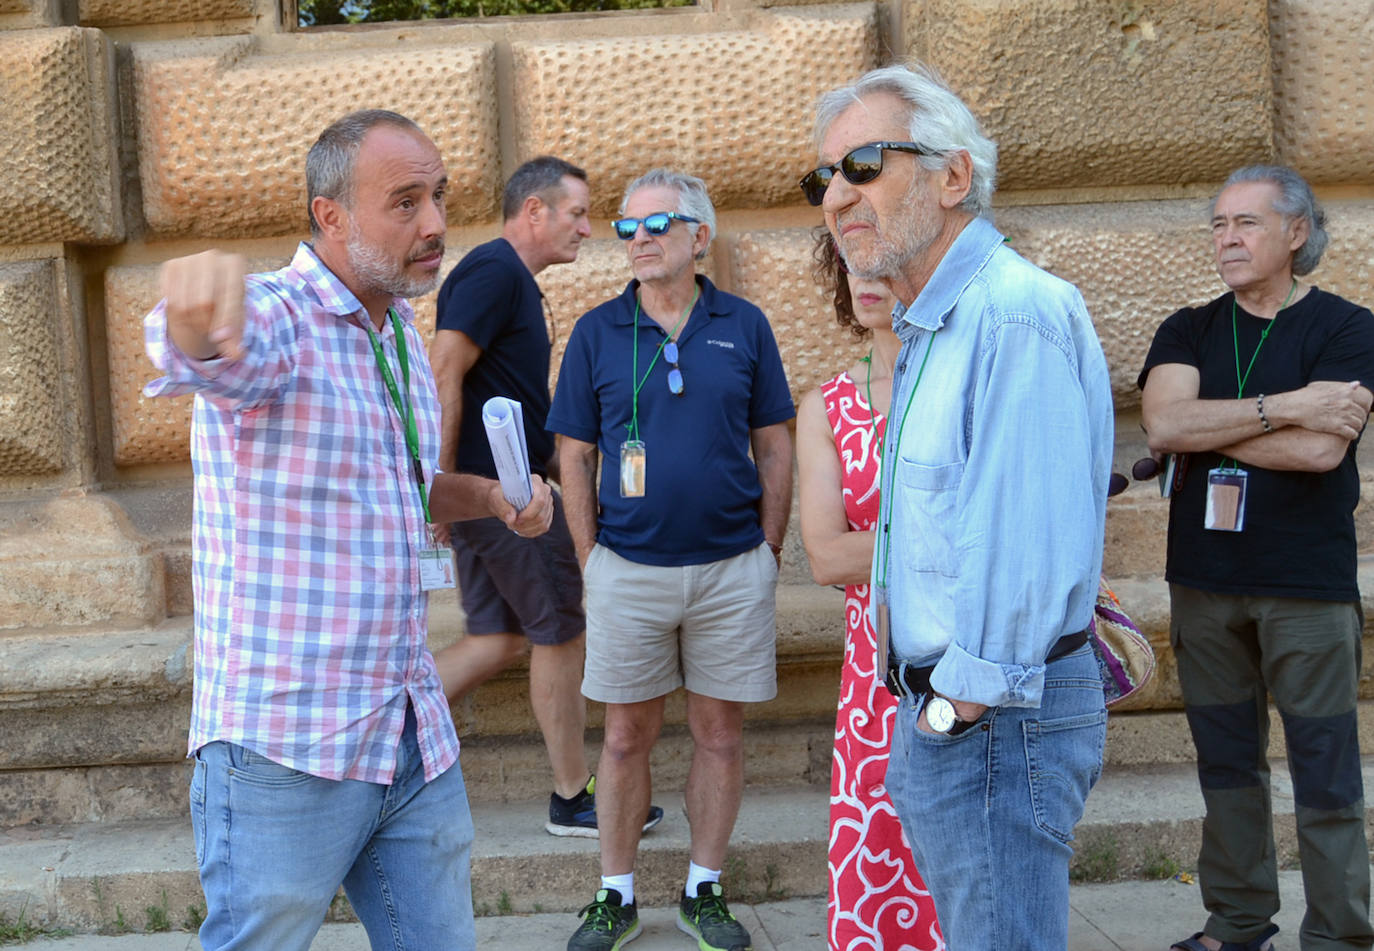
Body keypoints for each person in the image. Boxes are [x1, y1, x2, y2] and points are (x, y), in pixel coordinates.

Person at [142, 109, 553, 951]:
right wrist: (191, 319)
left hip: (407, 731)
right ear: (331, 216)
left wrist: (493, 497)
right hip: (286, 751)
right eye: (405, 202)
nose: (436, 222)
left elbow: (402, 488)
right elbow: (208, 350)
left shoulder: (397, 331)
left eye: (437, 195)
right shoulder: (279, 317)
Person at [805, 64, 1114, 950]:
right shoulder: (932, 328)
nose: (835, 196)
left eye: (863, 163)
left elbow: (1024, 561)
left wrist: (948, 714)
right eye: (824, 175)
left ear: (952, 177)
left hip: (988, 719)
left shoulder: (1013, 315)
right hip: (950, 713)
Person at [547, 168, 795, 951]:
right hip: (629, 568)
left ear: (700, 237)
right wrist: (591, 560)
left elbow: (776, 442)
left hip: (730, 568)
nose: (639, 239)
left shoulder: (744, 324)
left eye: (658, 224)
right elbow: (574, 455)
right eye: (626, 228)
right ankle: (614, 893)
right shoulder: (595, 331)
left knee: (720, 733)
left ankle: (703, 889)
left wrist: (769, 548)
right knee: (624, 737)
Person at [1139, 165, 1374, 951]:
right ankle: (1237, 923)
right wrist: (1287, 404)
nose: (1227, 239)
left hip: (1305, 585)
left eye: (1245, 223)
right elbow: (1165, 425)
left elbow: (1318, 450)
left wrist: (1216, 425)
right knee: (1226, 764)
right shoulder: (1189, 328)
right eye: (1218, 224)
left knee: (1326, 771)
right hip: (1204, 583)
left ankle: (1340, 936)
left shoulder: (1348, 327)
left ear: (1296, 232)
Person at [427, 156, 662, 838]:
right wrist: (443, 490)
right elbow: (444, 366)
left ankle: (371, 741)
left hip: (491, 493)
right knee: (562, 627)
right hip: (504, 498)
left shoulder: (510, 280)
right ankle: (570, 795)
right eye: (577, 213)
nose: (589, 229)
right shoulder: (495, 272)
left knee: (495, 637)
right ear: (534, 211)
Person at [796, 229, 942, 950]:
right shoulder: (826, 406)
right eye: (853, 265)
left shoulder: (958, 383)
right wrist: (941, 539)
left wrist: (878, 548)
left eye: (883, 265)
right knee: (878, 843)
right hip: (873, 677)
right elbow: (824, 556)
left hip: (964, 651)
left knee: (958, 852)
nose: (866, 279)